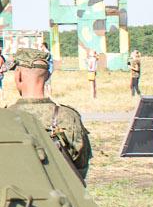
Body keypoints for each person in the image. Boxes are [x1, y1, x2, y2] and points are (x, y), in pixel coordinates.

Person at [10, 46, 92, 179]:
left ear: (18, 76)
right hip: (60, 189)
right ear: (48, 76)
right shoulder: (68, 117)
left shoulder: (3, 117)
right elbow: (81, 166)